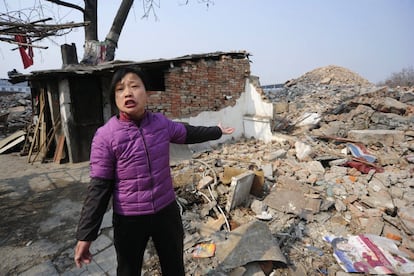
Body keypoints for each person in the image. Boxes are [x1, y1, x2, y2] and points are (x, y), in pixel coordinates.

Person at [74, 67, 235, 275]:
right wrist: (86, 235)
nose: (128, 93)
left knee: (174, 265)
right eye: (120, 89)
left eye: (134, 86)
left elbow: (187, 133)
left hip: (166, 210)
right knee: (128, 270)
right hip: (129, 218)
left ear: (147, 92)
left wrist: (217, 131)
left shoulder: (160, 124)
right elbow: (99, 188)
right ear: (114, 98)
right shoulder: (105, 136)